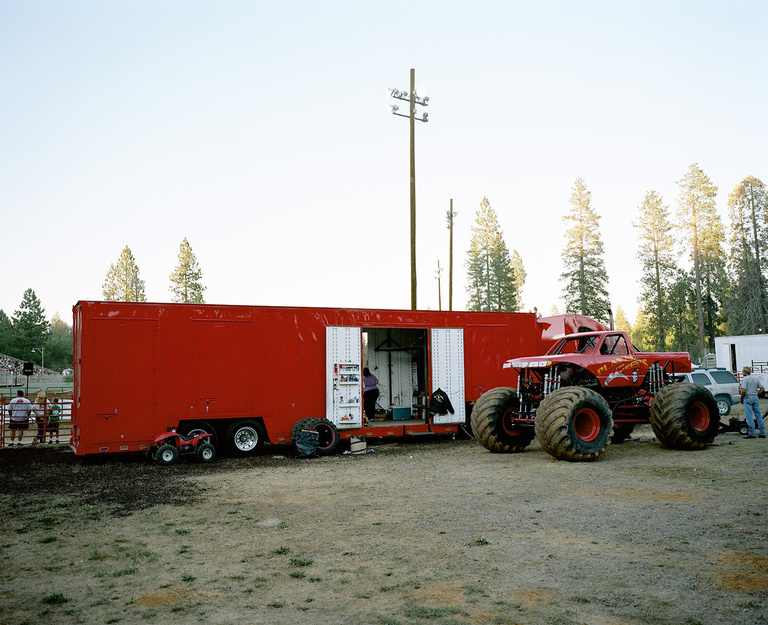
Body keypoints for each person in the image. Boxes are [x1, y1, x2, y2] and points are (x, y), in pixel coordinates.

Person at [740, 366, 766, 439]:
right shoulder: (755, 378)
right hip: (755, 397)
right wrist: (757, 394)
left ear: (745, 372)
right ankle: (762, 432)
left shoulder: (745, 379)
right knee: (758, 415)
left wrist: (741, 398)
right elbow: (762, 388)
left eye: (742, 371)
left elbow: (743, 390)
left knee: (749, 416)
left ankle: (752, 433)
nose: (742, 373)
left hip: (748, 397)